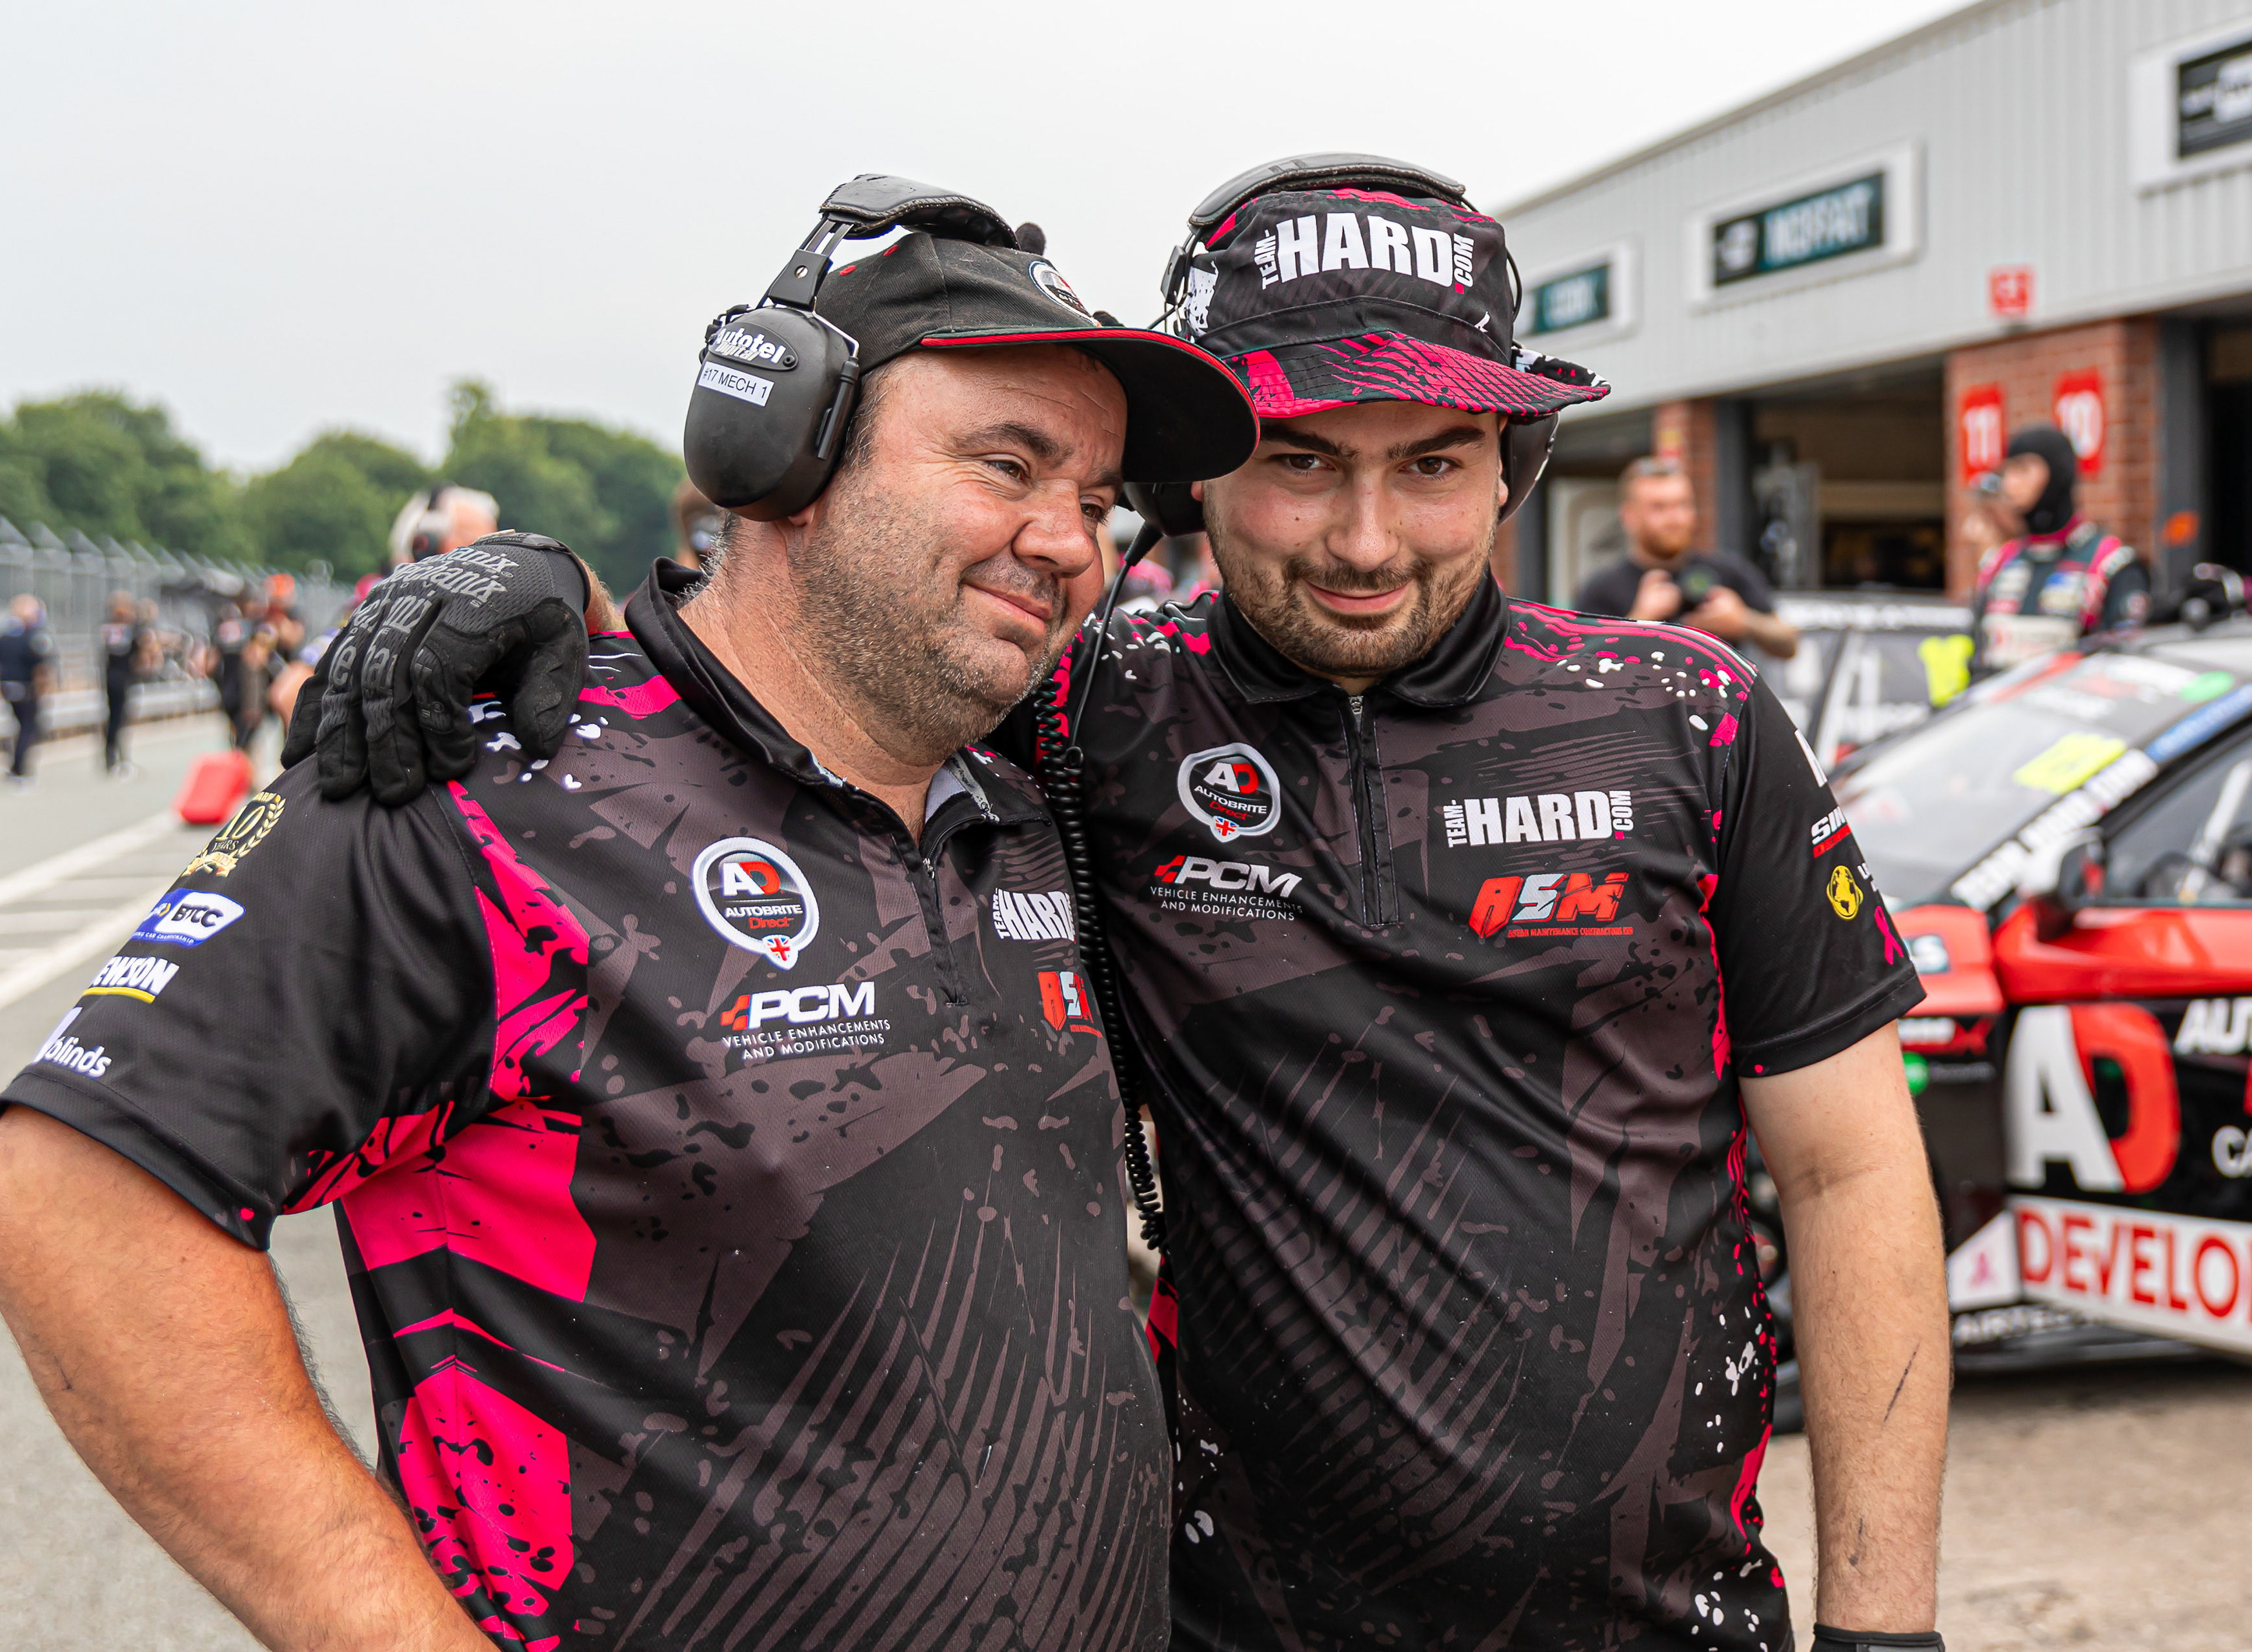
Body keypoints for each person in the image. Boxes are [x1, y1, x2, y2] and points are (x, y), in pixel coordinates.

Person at [362, 157, 1953, 1652]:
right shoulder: (1085, 704)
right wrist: (540, 592)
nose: (1365, 541)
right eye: (1299, 461)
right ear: (1190, 485)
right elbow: (792, 665)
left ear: (1509, 469)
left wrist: (1887, 1627)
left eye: (1432, 464)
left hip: (1671, 1621)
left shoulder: (1687, 716)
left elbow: (1853, 1171)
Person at [0, 183, 1260, 1651]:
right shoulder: (485, 791)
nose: (1066, 541)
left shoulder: (1030, 800)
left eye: (1094, 501)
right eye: (1007, 462)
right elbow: (70, 1209)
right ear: (784, 449)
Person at [1967, 423, 2149, 678]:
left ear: (2057, 473)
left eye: (2023, 470)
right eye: (2006, 472)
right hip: (1998, 702)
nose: (2010, 484)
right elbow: (1976, 659)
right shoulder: (1999, 562)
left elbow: (2124, 662)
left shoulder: (2109, 562)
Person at [1574, 457, 1800, 660]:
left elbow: (1789, 644)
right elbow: (1578, 664)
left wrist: (1743, 621)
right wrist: (1640, 620)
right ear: (1629, 516)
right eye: (1659, 508)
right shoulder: (1601, 589)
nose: (1676, 518)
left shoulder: (1730, 572)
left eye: (1683, 504)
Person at [0, 594, 55, 786]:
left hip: (8, 686)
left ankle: (15, 766)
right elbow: (40, 665)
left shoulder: (5, 635)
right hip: (26, 687)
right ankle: (20, 770)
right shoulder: (34, 636)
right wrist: (43, 688)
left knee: (22, 726)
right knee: (28, 728)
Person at [99, 591, 148, 776]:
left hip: (110, 676)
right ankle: (117, 756)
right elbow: (139, 651)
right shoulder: (130, 629)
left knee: (114, 717)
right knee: (119, 719)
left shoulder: (107, 627)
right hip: (123, 678)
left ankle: (112, 755)